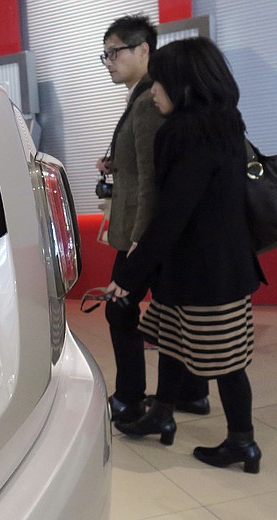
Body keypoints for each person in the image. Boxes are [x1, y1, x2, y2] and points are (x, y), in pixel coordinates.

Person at [108, 36, 266, 474]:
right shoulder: (225, 123)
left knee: (227, 363)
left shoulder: (189, 134)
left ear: (185, 84)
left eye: (161, 82)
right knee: (175, 343)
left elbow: (172, 213)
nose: (154, 90)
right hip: (213, 267)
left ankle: (242, 442)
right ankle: (161, 414)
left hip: (206, 273)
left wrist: (130, 275)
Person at [97, 14, 209, 423]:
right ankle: (190, 393)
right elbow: (141, 165)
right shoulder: (141, 97)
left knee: (120, 308)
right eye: (104, 54)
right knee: (170, 309)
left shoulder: (148, 102)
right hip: (143, 230)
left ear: (144, 50)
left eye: (115, 52)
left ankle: (130, 395)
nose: (108, 60)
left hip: (141, 232)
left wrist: (142, 240)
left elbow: (152, 181)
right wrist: (114, 164)